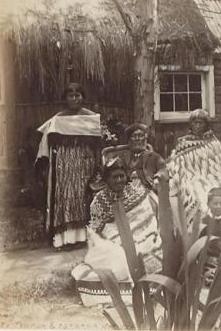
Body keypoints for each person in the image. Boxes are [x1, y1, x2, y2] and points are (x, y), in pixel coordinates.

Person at [71, 157, 162, 307]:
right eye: (115, 177)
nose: (119, 180)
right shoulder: (98, 202)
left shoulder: (138, 193)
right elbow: (97, 232)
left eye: (122, 176)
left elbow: (148, 221)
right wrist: (121, 242)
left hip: (143, 237)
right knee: (119, 259)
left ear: (127, 176)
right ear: (106, 179)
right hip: (113, 243)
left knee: (154, 251)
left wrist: (142, 238)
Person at [36, 82, 101, 250]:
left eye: (77, 95)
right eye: (70, 95)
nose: (74, 98)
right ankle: (66, 239)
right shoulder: (58, 119)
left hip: (85, 162)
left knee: (83, 196)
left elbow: (98, 143)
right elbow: (47, 141)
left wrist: (97, 162)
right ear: (65, 99)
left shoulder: (91, 118)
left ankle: (84, 238)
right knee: (65, 196)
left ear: (83, 97)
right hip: (64, 165)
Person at [167, 109, 221, 225]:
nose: (198, 126)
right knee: (193, 197)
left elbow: (219, 168)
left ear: (206, 125)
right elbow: (176, 166)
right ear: (191, 124)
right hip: (189, 179)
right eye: (195, 123)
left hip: (212, 178)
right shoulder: (182, 143)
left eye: (201, 123)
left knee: (220, 196)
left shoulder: (213, 143)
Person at [101, 123, 165, 192]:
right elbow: (113, 172)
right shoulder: (122, 157)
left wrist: (157, 178)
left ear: (146, 138)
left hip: (147, 190)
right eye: (134, 136)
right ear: (129, 140)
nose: (137, 139)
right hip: (125, 192)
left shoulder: (154, 157)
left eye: (141, 136)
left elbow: (164, 170)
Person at [200, 187, 221, 285]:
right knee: (213, 279)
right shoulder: (203, 223)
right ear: (208, 204)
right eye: (215, 203)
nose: (218, 206)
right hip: (208, 260)